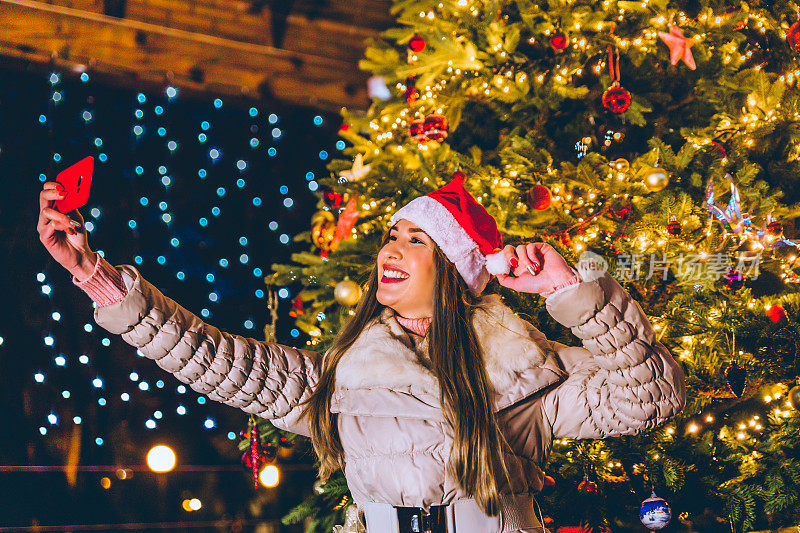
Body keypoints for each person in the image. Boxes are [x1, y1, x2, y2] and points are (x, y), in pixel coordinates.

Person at [38, 175, 686, 533]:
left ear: (456, 268)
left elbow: (649, 397)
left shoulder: (525, 371)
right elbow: (214, 358)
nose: (390, 250)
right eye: (390, 236)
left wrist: (570, 290)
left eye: (416, 240)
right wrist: (97, 276)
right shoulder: (342, 377)